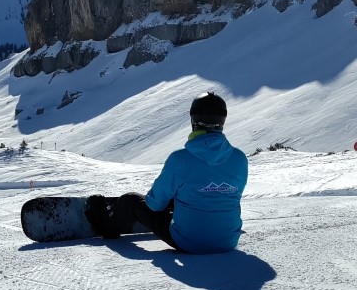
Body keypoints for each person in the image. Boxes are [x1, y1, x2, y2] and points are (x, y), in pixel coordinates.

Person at [86, 92, 248, 253]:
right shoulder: (240, 158)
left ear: (193, 120)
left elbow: (154, 205)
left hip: (189, 241)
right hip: (228, 241)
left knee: (131, 201)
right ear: (223, 121)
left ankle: (106, 225)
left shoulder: (181, 159)